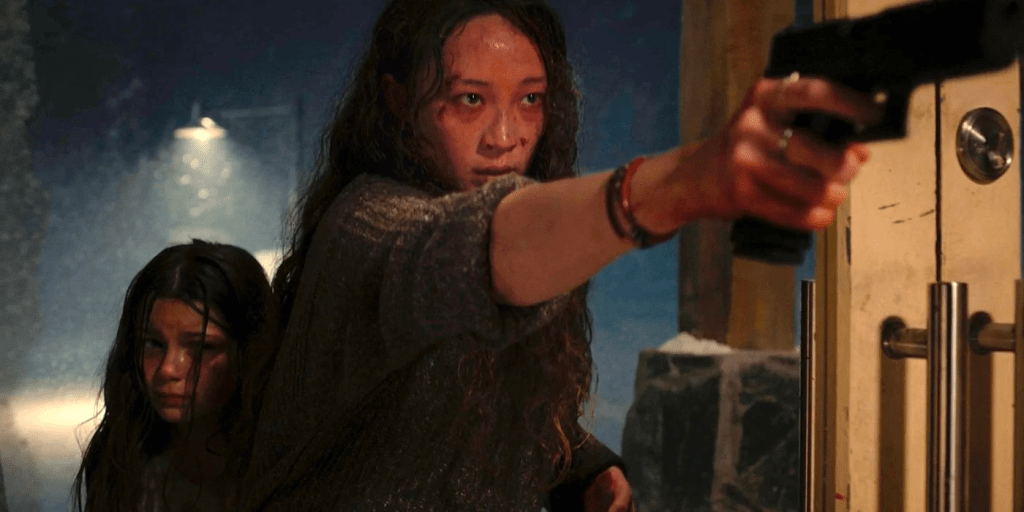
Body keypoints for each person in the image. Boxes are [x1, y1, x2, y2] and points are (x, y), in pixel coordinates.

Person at [240, 0, 881, 510]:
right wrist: (688, 180)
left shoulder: (521, 220)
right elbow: (472, 248)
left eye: (529, 99)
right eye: (469, 99)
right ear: (399, 102)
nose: (506, 136)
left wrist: (583, 467)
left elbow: (478, 400)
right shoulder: (367, 223)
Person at [71, 240, 279, 511]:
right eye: (152, 344)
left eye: (202, 347)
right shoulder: (123, 461)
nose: (168, 369)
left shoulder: (281, 466)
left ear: (251, 350)